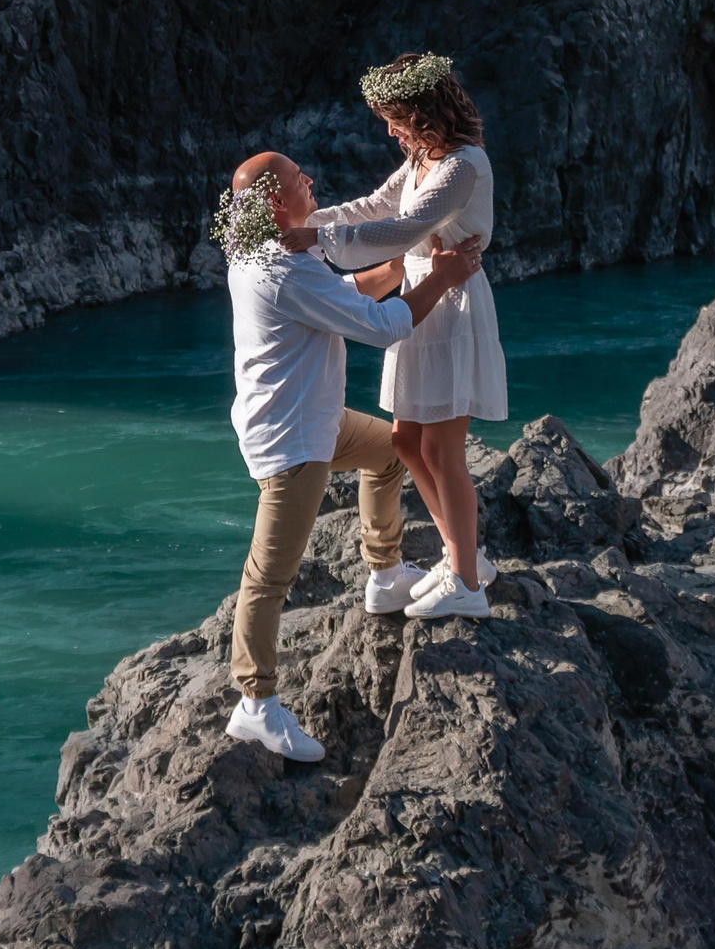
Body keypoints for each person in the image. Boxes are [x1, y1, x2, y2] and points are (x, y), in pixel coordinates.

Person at [216, 149, 485, 763]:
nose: (311, 180)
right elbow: (382, 326)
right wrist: (442, 278)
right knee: (268, 577)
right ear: (276, 203)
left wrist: (403, 263)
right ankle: (254, 704)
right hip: (293, 442)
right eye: (297, 180)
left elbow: (344, 293)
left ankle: (385, 575)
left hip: (315, 419)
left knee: (390, 452)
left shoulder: (266, 249)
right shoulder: (281, 271)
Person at [279, 52, 506, 624]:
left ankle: (467, 583)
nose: (389, 129)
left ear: (424, 109)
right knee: (407, 444)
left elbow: (402, 229)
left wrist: (316, 241)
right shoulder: (423, 158)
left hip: (450, 304)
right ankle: (464, 555)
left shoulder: (463, 165)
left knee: (441, 451)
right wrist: (307, 230)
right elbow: (375, 206)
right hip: (418, 298)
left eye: (395, 116)